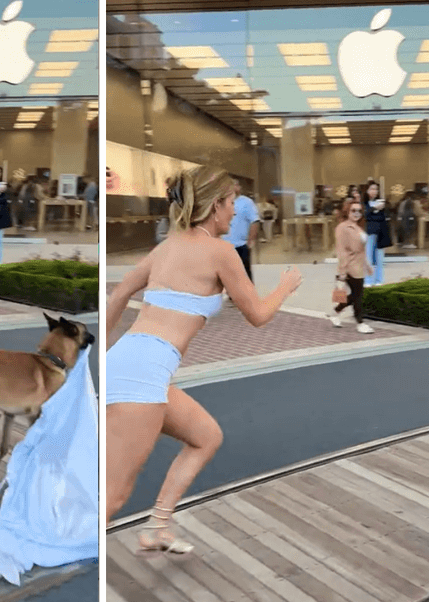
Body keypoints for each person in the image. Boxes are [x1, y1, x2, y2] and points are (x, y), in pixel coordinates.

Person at [105, 165, 303, 551]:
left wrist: (99, 354)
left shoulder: (167, 246)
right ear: (216, 206)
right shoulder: (220, 252)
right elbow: (259, 316)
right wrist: (285, 286)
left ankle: (158, 527)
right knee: (113, 496)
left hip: (134, 362)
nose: (236, 212)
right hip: (143, 373)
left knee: (206, 436)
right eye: (232, 204)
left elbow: (117, 296)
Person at [331, 198, 374, 334]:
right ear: (347, 212)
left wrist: (368, 265)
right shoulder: (342, 228)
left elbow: (361, 249)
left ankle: (335, 312)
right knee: (358, 296)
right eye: (353, 210)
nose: (357, 213)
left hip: (359, 266)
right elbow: (341, 250)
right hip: (350, 266)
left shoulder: (357, 227)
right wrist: (342, 272)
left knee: (354, 295)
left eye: (359, 211)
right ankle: (360, 323)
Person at [223, 180, 260, 283]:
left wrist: (251, 240)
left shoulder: (247, 202)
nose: (236, 187)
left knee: (244, 273)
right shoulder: (222, 201)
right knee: (228, 273)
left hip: (241, 245)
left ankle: (249, 295)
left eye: (237, 185)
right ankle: (232, 294)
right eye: (232, 185)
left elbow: (255, 221)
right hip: (224, 244)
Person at [363, 180, 391, 286]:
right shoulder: (364, 203)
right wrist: (374, 209)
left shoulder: (381, 202)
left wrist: (373, 212)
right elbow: (365, 215)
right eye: (372, 189)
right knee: (368, 258)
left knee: (379, 258)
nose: (374, 191)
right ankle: (368, 280)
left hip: (380, 232)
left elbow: (382, 217)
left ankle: (379, 280)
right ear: (367, 190)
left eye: (376, 189)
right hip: (368, 233)